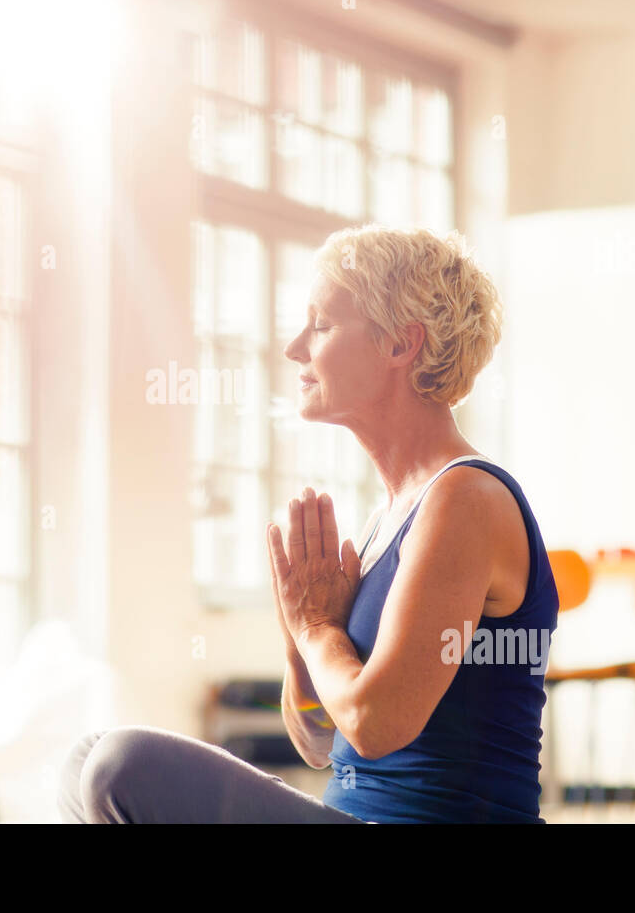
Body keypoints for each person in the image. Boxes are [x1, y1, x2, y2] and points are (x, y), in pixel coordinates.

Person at [58, 224, 559, 823]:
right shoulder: (388, 517)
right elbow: (321, 742)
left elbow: (375, 724)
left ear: (402, 344)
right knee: (81, 760)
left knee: (123, 764)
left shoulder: (466, 498)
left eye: (321, 325)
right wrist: (299, 640)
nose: (296, 348)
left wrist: (319, 629)